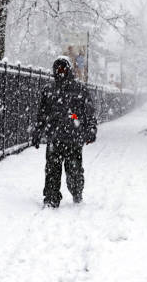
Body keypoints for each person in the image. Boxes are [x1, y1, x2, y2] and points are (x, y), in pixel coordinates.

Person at [31, 56, 97, 208]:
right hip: (55, 138)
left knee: (74, 170)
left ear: (68, 70)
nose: (60, 72)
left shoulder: (80, 90)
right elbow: (42, 114)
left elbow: (88, 113)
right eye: (58, 69)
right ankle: (51, 197)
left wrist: (90, 128)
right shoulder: (49, 90)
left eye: (63, 69)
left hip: (73, 138)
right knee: (52, 170)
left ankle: (76, 191)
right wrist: (38, 132)